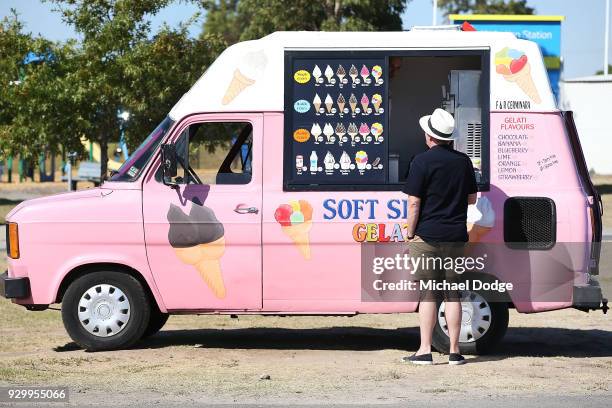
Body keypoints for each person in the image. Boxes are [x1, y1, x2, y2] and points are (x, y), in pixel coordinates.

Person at [401, 108, 477, 366]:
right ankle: (455, 351)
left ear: (429, 136)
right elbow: (472, 198)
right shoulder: (463, 161)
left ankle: (425, 350)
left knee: (429, 294)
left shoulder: (421, 161)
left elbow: (413, 204)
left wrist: (410, 233)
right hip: (455, 236)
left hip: (427, 237)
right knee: (453, 293)